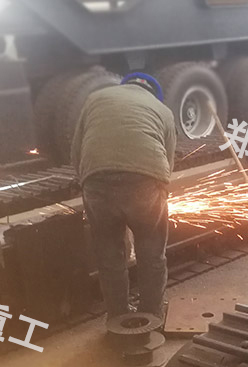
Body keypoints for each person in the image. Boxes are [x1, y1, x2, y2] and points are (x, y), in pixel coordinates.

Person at [71, 72, 176, 320]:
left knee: (109, 254)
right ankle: (152, 313)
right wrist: (159, 192)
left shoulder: (95, 98)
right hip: (146, 181)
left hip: (96, 179)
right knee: (151, 252)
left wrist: (87, 183)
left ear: (125, 85)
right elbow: (168, 162)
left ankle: (117, 315)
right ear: (153, 94)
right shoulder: (163, 111)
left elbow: (76, 151)